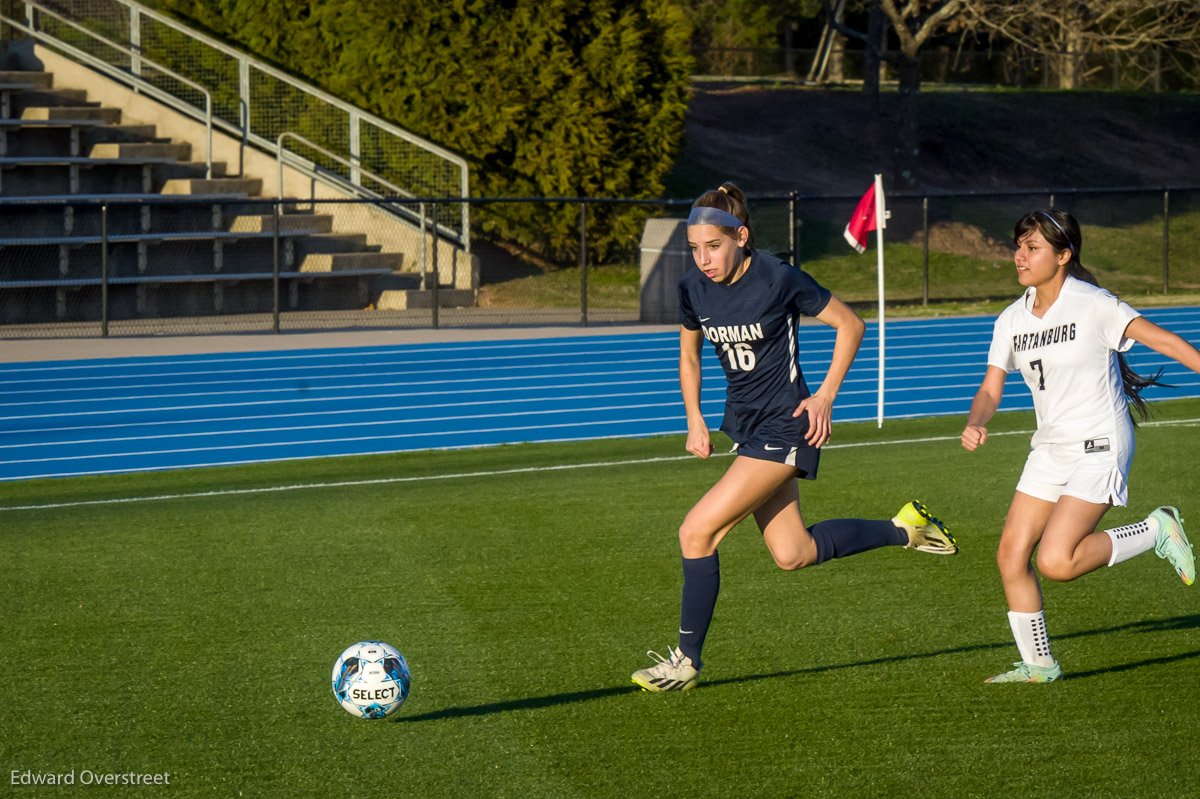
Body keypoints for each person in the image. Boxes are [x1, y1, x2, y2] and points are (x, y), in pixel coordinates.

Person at [631, 183, 957, 693]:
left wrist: (825, 395)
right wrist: (694, 418)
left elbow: (850, 324)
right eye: (694, 249)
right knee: (793, 552)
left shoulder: (777, 277)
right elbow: (689, 354)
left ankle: (684, 662)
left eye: (712, 246)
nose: (703, 258)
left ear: (740, 236)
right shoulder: (692, 288)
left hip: (787, 425)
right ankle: (904, 529)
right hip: (746, 427)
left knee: (696, 532)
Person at [961, 208, 1199, 684]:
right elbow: (991, 388)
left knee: (1055, 561)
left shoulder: (1093, 303)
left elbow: (1166, 342)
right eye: (1018, 246)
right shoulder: (1010, 319)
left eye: (1033, 248)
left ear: (1063, 255)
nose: (1020, 256)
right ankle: (1039, 666)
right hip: (1049, 448)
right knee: (1011, 556)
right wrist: (976, 421)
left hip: (1100, 443)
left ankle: (1157, 529)